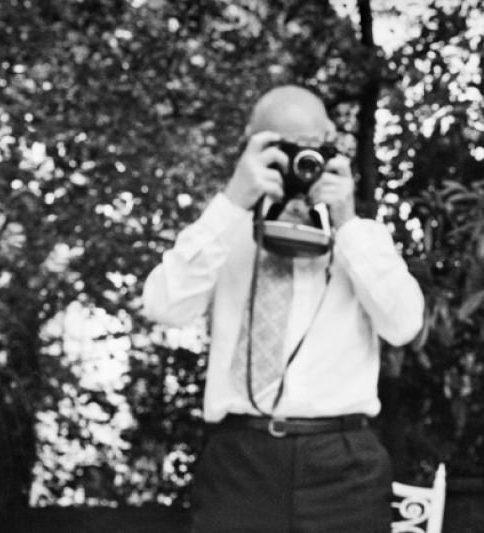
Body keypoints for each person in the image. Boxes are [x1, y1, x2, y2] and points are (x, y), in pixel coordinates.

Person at [142, 85, 424, 532]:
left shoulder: (361, 238)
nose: (298, 164)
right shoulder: (224, 230)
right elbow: (162, 305)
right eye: (282, 148)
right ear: (251, 145)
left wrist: (347, 221)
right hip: (240, 460)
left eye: (311, 149)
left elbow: (405, 325)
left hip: (343, 461)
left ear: (332, 146)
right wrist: (234, 200)